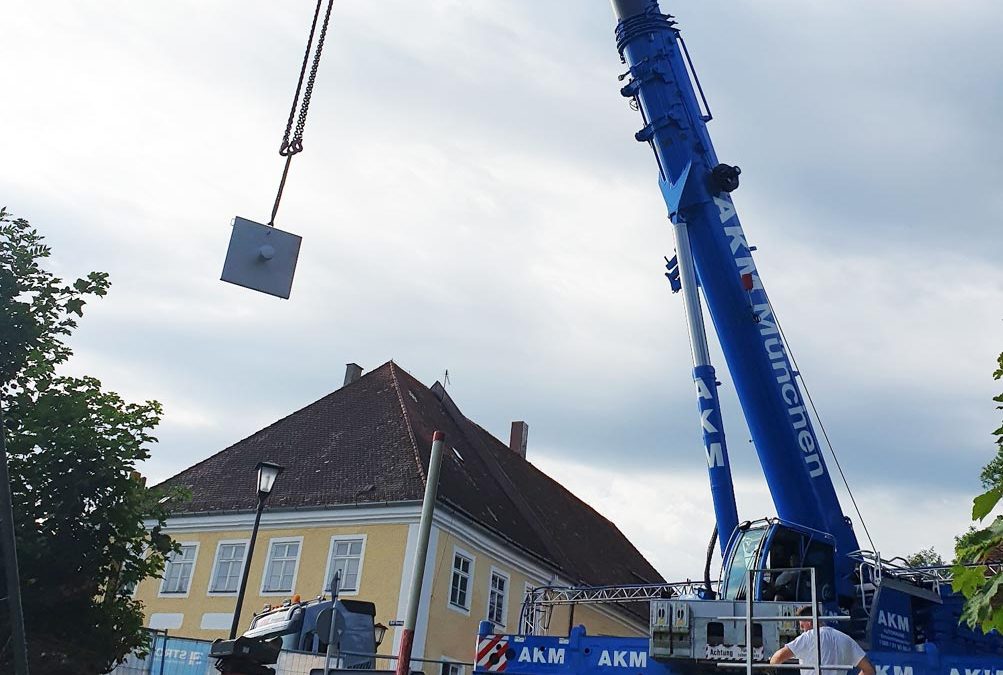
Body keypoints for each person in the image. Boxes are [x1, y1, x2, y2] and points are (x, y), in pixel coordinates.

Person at [769, 605, 875, 675]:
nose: (802, 630)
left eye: (802, 626)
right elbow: (869, 670)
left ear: (809, 622)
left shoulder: (809, 636)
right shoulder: (846, 639)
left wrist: (770, 667)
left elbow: (778, 657)